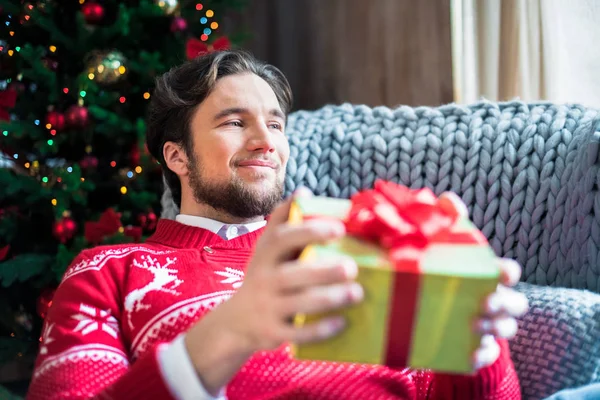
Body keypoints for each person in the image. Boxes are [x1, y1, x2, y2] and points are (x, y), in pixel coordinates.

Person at [26, 49, 529, 400]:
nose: (267, 141)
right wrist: (233, 331)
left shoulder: (354, 250)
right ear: (176, 156)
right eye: (234, 121)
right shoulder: (110, 270)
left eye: (275, 123)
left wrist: (477, 346)